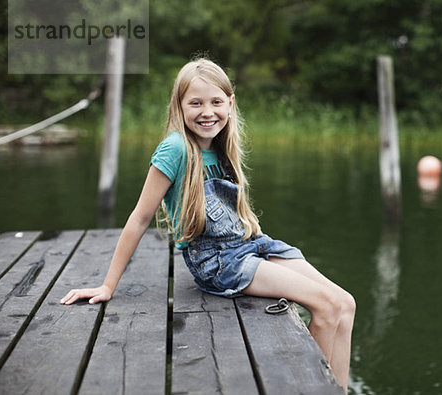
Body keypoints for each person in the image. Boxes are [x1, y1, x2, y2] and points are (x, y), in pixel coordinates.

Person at [60, 57, 356, 392]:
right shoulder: (175, 149)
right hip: (217, 261)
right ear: (180, 106)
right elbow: (140, 217)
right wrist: (108, 286)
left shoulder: (223, 146)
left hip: (250, 245)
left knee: (345, 304)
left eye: (216, 102)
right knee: (326, 306)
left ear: (230, 104)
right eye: (196, 103)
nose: (207, 112)